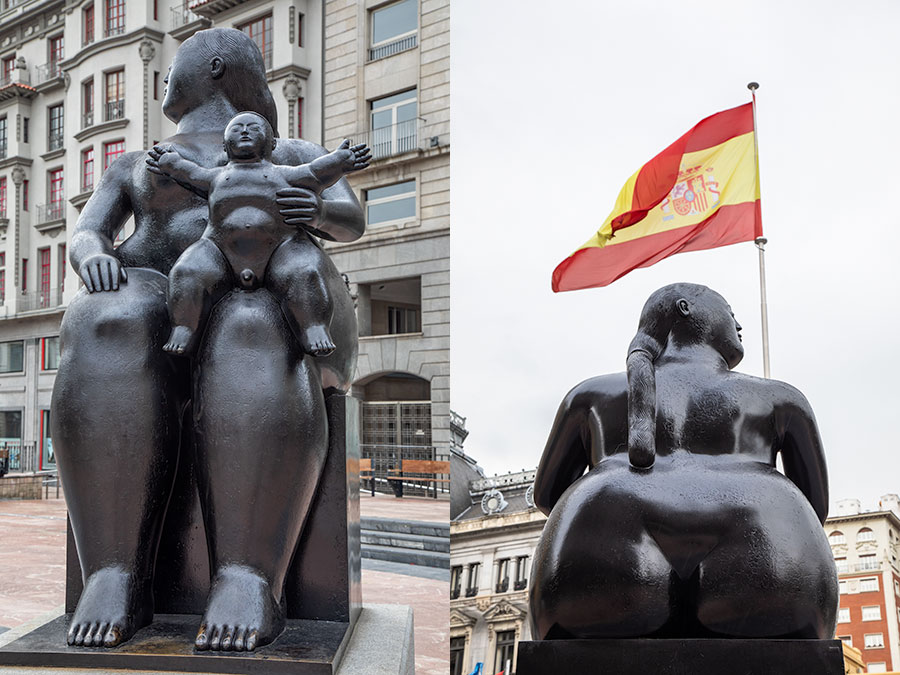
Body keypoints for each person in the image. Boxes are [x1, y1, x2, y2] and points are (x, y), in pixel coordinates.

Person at [51, 28, 364, 651]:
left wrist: (316, 212)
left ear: (216, 65)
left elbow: (349, 216)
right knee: (103, 320)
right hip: (166, 287)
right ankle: (113, 571)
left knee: (248, 320)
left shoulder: (289, 148)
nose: (165, 78)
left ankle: (248, 577)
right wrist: (91, 258)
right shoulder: (136, 163)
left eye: (176, 67)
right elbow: (89, 231)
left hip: (279, 284)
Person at [529, 283, 838, 641]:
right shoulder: (781, 397)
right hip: (769, 552)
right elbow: (815, 507)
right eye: (730, 311)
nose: (739, 326)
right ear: (684, 309)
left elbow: (547, 497)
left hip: (603, 548)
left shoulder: (589, 395)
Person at [145, 112, 370, 356]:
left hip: (280, 248)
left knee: (305, 272)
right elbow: (189, 173)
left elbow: (316, 172)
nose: (244, 131)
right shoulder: (216, 176)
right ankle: (184, 327)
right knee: (187, 271)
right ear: (224, 145)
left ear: (272, 143)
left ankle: (313, 326)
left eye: (253, 128)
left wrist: (339, 161)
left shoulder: (284, 174)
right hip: (219, 249)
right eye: (236, 128)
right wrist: (170, 163)